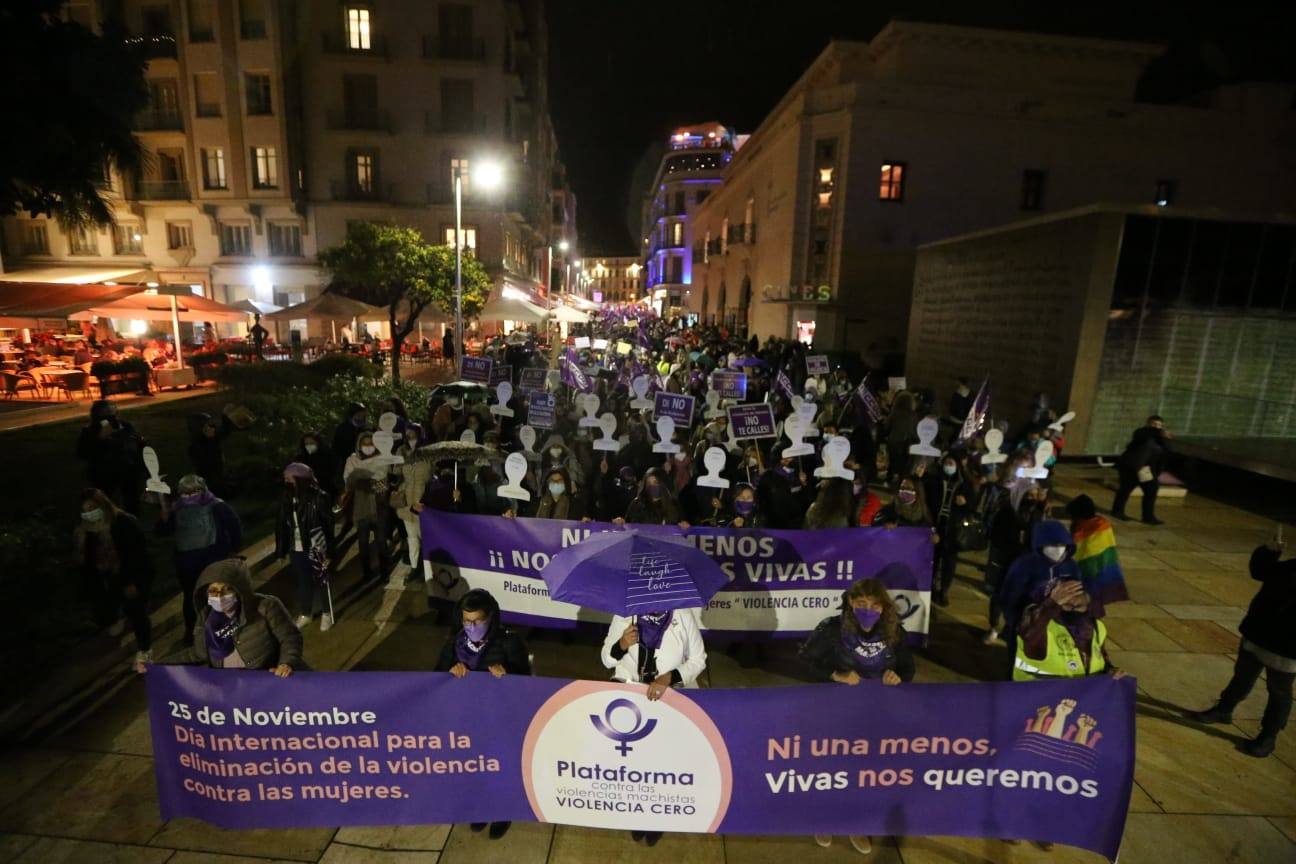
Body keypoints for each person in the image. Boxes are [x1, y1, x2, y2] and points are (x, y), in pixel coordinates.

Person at [798, 577, 915, 855]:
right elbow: (805, 659)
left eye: (874, 605)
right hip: (835, 710)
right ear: (850, 602)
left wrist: (897, 677)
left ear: (883, 606)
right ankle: (825, 820)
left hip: (876, 712)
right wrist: (835, 674)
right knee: (831, 769)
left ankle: (857, 824)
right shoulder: (832, 630)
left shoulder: (895, 633)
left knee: (865, 772)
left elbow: (908, 669)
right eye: (861, 603)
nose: (868, 610)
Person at [601, 605, 707, 848]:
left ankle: (658, 818)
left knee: (664, 765)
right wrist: (622, 645)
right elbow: (606, 659)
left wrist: (669, 678)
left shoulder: (682, 614)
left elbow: (699, 659)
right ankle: (639, 815)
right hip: (633, 704)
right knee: (637, 766)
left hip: (671, 702)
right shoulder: (624, 613)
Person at [1188, 532, 1294, 757]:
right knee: (1242, 676)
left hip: (1288, 646)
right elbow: (1260, 571)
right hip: (1258, 633)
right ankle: (1224, 709)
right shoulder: (1288, 568)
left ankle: (1268, 736)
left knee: (1279, 691)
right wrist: (1269, 551)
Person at [434, 589, 531, 836]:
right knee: (474, 768)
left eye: (478, 621)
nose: (472, 626)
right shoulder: (455, 642)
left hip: (501, 719)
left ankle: (501, 813)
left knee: (500, 769)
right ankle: (480, 809)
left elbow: (528, 682)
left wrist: (508, 675)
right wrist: (450, 671)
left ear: (490, 618)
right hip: (468, 719)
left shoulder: (509, 641)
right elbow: (436, 674)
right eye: (467, 621)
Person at [997, 520, 1087, 681]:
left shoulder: (1071, 566)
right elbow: (1009, 595)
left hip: (1058, 625)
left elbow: (1077, 592)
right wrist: (1014, 620)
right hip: (1029, 622)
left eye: (1062, 544)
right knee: (1020, 660)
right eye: (1053, 545)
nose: (1058, 549)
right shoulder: (1024, 565)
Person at [76, 488, 154, 673]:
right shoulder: (87, 530)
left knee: (137, 611)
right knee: (114, 606)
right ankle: (120, 615)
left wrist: (131, 582)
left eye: (92, 508)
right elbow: (87, 561)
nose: (89, 513)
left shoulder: (123, 523)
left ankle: (145, 651)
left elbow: (136, 555)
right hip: (109, 576)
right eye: (85, 510)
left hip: (133, 573)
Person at [157, 474, 242, 639]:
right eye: (184, 493)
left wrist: (233, 551)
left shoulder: (216, 506)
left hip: (213, 560)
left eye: (193, 492)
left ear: (202, 490)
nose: (188, 496)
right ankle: (192, 631)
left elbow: (234, 526)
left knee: (217, 595)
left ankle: (223, 629)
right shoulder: (176, 509)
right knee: (190, 597)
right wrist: (164, 518)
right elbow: (162, 532)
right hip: (187, 564)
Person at [192, 558, 303, 675]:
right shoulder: (205, 618)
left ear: (240, 590)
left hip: (265, 680)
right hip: (227, 686)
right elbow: (199, 654)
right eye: (213, 591)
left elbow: (290, 637)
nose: (219, 596)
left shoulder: (266, 607)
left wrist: (286, 664)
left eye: (227, 589)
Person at [1013, 567, 1121, 683]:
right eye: (1066, 605)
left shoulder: (1097, 628)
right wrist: (1051, 604)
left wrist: (1110, 671)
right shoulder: (1042, 630)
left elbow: (1101, 660)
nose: (1073, 609)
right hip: (1039, 699)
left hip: (1081, 699)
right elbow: (1028, 633)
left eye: (1079, 606)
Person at [276, 463, 336, 631]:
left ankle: (326, 613)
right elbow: (280, 525)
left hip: (316, 546)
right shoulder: (286, 497)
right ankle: (305, 613)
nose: (286, 481)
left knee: (322, 580)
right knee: (303, 581)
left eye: (289, 478)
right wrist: (280, 551)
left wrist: (330, 551)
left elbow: (328, 525)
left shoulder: (319, 497)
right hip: (296, 548)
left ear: (300, 479)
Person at [76, 400, 147, 516]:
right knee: (104, 499)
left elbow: (138, 444)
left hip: (128, 468)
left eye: (113, 411)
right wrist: (100, 439)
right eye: (106, 413)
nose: (111, 416)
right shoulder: (89, 431)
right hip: (104, 471)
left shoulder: (125, 426)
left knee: (131, 498)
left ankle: (132, 519)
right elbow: (83, 453)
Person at [343, 432, 394, 581]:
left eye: (370, 443)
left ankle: (385, 573)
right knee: (363, 542)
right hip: (361, 506)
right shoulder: (352, 460)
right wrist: (367, 479)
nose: (368, 447)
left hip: (379, 506)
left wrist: (363, 479)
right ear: (359, 445)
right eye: (364, 444)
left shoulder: (382, 459)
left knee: (381, 541)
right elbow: (349, 483)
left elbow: (382, 483)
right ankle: (366, 573)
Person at [924, 453, 970, 607]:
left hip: (953, 527)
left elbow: (972, 509)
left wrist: (964, 504)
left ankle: (944, 590)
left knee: (949, 562)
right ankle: (930, 587)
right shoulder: (934, 481)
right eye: (947, 463)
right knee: (933, 558)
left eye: (952, 463)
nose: (949, 466)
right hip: (937, 523)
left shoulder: (964, 484)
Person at [1066, 494, 1129, 606]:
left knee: (1091, 597)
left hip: (1090, 571)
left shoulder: (1083, 529)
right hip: (1102, 567)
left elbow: (1078, 552)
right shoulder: (1103, 523)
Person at [1111, 415, 1173, 525]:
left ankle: (1148, 516)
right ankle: (1118, 511)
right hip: (1132, 467)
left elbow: (1163, 455)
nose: (1156, 427)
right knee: (1126, 489)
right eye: (1154, 424)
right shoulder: (1142, 434)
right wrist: (1159, 432)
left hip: (1146, 470)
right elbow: (1144, 434)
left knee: (1151, 490)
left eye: (1159, 425)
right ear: (1148, 424)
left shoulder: (1160, 440)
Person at [187, 410, 236, 498]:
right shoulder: (199, 447)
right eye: (207, 427)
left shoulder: (210, 440)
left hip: (218, 481)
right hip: (214, 486)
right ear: (199, 430)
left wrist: (225, 416)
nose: (212, 428)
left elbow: (224, 432)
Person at [621, 468, 689, 528]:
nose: (652, 486)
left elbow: (683, 526)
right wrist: (619, 522)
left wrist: (684, 526)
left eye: (655, 482)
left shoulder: (674, 505)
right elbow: (626, 525)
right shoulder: (636, 504)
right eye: (648, 483)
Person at [294, 431, 338, 497]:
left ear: (317, 442)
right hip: (304, 493)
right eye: (306, 443)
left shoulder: (328, 456)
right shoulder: (301, 458)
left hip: (325, 491)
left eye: (311, 443)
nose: (309, 445)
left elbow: (332, 474)